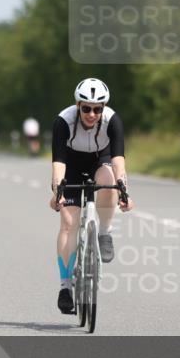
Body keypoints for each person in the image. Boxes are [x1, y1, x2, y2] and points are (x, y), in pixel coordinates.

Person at [49, 78, 134, 314]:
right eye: (86, 108)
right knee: (68, 222)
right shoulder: (63, 122)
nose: (92, 114)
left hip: (100, 159)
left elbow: (118, 161)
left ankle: (104, 233)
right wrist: (58, 192)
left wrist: (124, 190)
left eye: (98, 109)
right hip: (71, 164)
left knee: (108, 183)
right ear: (77, 105)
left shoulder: (113, 121)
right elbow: (58, 163)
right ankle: (65, 287)